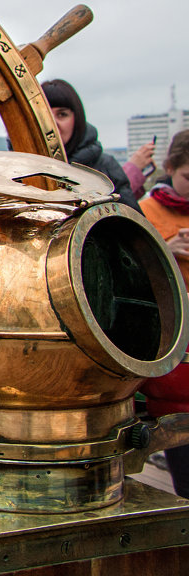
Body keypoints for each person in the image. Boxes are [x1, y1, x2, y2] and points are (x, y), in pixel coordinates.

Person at [139, 129, 189, 498]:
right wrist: (166, 250)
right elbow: (133, 273)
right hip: (174, 354)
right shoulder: (144, 213)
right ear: (170, 168)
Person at [42, 79, 140, 210]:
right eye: (44, 114)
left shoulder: (106, 168)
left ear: (77, 119)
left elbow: (132, 224)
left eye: (62, 114)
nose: (53, 123)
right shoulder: (18, 169)